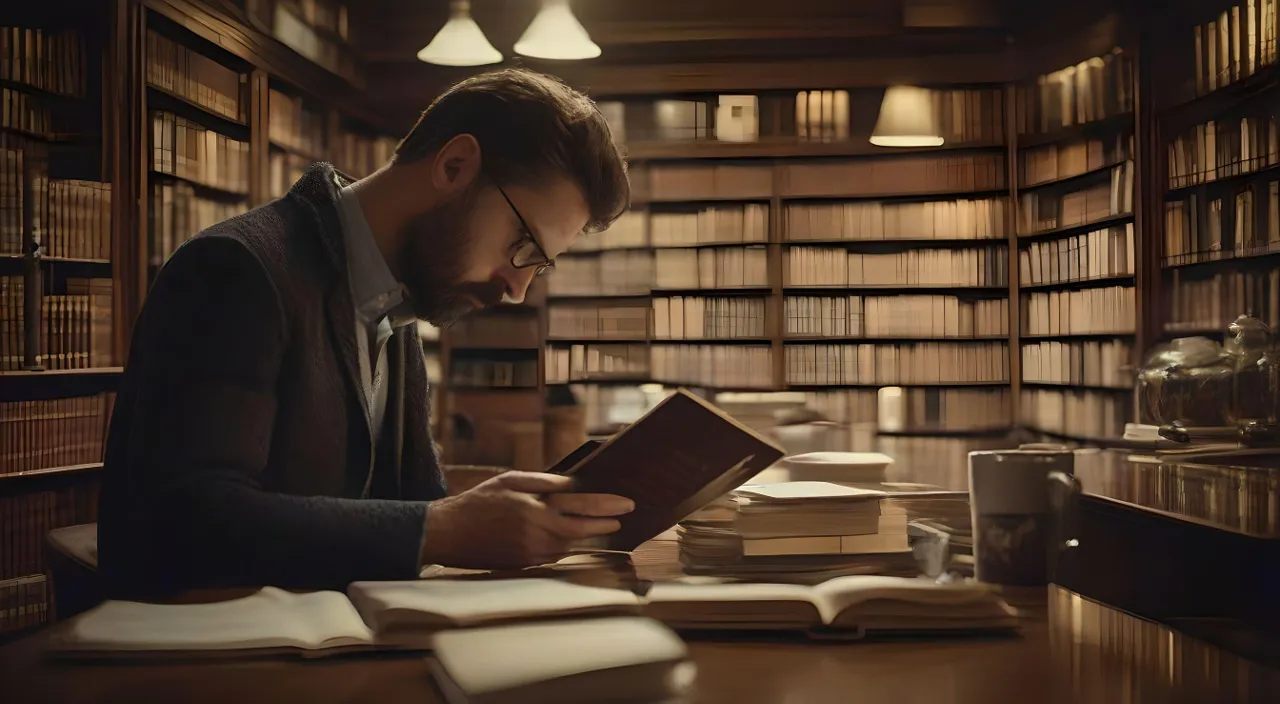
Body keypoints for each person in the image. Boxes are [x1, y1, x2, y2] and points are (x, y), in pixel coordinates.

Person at [97, 68, 635, 599]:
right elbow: (186, 518)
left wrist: (514, 511)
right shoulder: (235, 269)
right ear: (454, 165)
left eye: (539, 267)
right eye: (523, 248)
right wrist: (443, 528)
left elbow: (412, 502)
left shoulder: (395, 304)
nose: (517, 290)